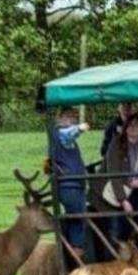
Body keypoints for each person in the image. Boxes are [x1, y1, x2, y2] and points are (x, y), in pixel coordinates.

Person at [92, 115, 138, 245]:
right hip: (112, 194)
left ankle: (132, 259)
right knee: (116, 231)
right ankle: (115, 261)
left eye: (136, 125)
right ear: (125, 128)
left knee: (132, 230)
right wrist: (123, 200)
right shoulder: (116, 144)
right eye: (130, 125)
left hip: (133, 192)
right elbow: (113, 173)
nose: (133, 128)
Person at [47, 107, 90, 258]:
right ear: (60, 118)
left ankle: (71, 252)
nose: (72, 119)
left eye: (74, 117)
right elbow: (69, 134)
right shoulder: (61, 134)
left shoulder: (59, 137)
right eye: (69, 116)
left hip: (72, 185)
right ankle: (76, 255)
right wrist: (79, 128)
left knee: (74, 218)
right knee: (78, 218)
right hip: (69, 185)